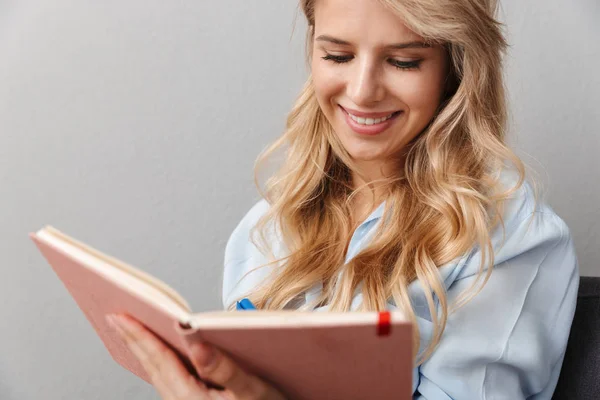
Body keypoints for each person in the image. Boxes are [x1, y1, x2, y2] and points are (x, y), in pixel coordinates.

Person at [105, 0, 580, 398]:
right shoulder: (269, 226)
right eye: (337, 56)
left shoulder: (511, 236)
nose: (362, 91)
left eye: (404, 61)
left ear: (454, 70)